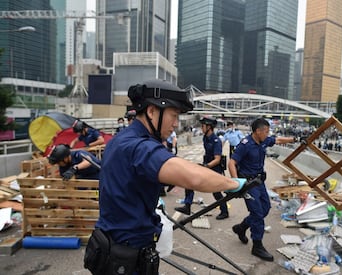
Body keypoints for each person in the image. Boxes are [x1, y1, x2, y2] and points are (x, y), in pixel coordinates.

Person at [86, 79, 246, 275]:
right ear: (152, 111)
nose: (176, 124)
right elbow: (193, 177)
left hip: (112, 245)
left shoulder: (120, 139)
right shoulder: (140, 147)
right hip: (126, 256)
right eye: (174, 115)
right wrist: (232, 183)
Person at [228, 117, 297, 262]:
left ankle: (241, 227)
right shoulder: (245, 144)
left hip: (259, 182)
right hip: (248, 183)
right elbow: (232, 162)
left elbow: (277, 140)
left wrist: (294, 139)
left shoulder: (264, 140)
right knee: (257, 213)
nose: (268, 134)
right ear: (258, 131)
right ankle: (257, 245)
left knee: (265, 208)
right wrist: (237, 183)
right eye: (266, 131)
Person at [174, 116, 229, 220]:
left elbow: (217, 159)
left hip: (214, 169)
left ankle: (225, 211)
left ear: (209, 127)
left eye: (203, 126)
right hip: (206, 166)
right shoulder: (205, 138)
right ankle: (187, 206)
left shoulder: (216, 141)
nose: (201, 128)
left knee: (216, 192)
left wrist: (206, 166)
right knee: (190, 181)